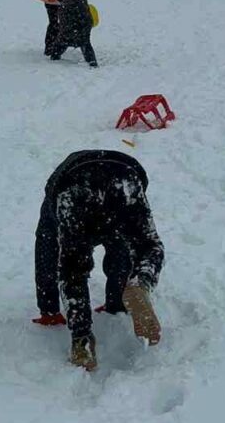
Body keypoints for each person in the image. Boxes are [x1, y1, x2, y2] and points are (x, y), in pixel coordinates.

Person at [32, 150, 165, 371]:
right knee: (142, 244)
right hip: (125, 178)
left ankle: (81, 339)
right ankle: (136, 286)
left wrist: (49, 308)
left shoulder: (61, 187)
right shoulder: (128, 177)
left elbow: (46, 251)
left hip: (75, 187)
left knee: (72, 264)